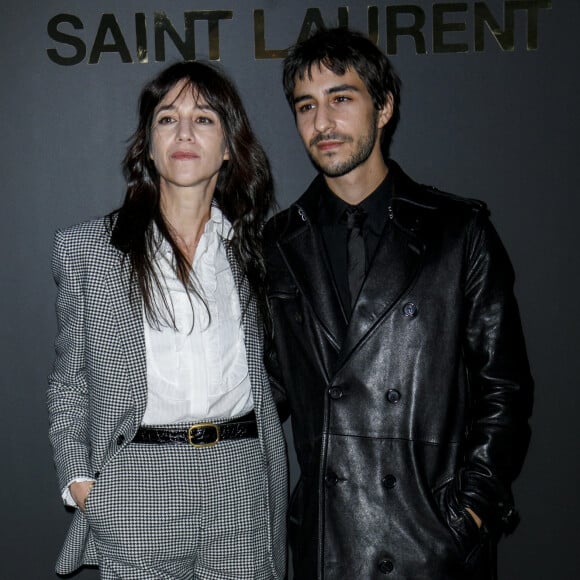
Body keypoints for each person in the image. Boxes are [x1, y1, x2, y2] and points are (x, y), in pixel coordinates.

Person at [264, 27, 533, 579]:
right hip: (328, 547)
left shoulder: (458, 233)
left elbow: (504, 388)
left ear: (383, 107)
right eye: (305, 106)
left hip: (431, 546)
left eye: (342, 98)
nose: (322, 123)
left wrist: (469, 514)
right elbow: (261, 390)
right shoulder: (277, 244)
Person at [48, 61, 287, 579]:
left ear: (228, 145)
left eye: (203, 118)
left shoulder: (257, 250)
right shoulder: (88, 249)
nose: (183, 132)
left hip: (240, 479)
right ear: (148, 145)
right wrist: (83, 488)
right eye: (166, 119)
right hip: (138, 487)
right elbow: (70, 382)